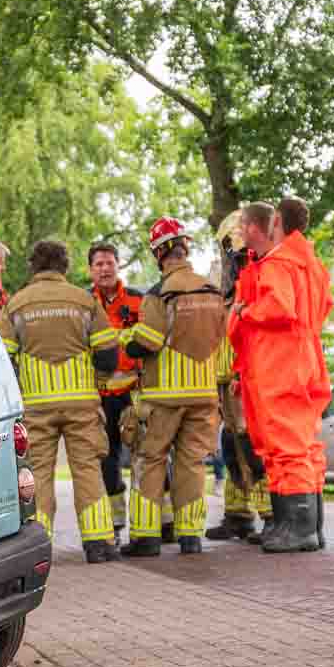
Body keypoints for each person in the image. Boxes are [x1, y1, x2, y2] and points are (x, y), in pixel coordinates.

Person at [0, 240, 124, 563]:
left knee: (38, 473)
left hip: (36, 404)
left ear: (33, 267)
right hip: (81, 403)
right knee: (87, 470)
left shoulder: (17, 304)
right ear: (64, 267)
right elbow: (109, 354)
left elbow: (3, 360)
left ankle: (40, 546)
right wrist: (94, 384)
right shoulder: (84, 301)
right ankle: (99, 544)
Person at [230, 198, 334, 553]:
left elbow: (278, 306)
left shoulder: (278, 264)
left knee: (286, 445)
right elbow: (322, 307)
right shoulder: (311, 265)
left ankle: (298, 528)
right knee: (304, 445)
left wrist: (244, 311)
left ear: (275, 222)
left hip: (278, 364)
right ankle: (307, 526)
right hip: (304, 357)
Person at [121, 217, 228, 556]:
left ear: (159, 253)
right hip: (203, 393)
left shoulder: (159, 294)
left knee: (150, 460)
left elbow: (148, 343)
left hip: (164, 396)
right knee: (192, 464)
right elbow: (223, 340)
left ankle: (146, 537)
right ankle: (191, 536)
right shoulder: (213, 292)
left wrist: (126, 341)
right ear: (185, 248)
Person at [204, 210, 271, 542]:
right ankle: (238, 514)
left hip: (245, 381)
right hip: (227, 381)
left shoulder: (256, 285)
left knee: (253, 448)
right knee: (232, 447)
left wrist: (242, 374)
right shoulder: (230, 291)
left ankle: (270, 515)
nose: (231, 259)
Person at [87, 241, 144, 543]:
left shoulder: (138, 300)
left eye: (109, 263)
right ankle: (115, 523)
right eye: (99, 264)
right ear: (90, 270)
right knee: (106, 458)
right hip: (101, 395)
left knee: (147, 454)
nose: (105, 269)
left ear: (118, 265)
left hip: (135, 392)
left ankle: (163, 522)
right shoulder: (84, 302)